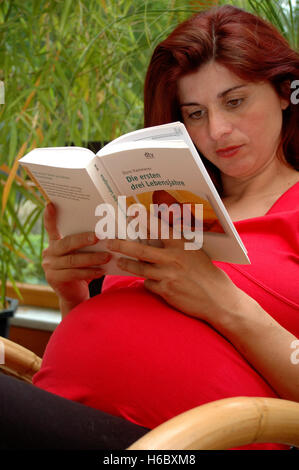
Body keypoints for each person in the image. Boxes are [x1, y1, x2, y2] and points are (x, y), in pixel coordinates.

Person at [26, 4, 299, 450]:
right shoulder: (162, 206)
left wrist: (222, 302)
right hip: (76, 418)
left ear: (286, 91)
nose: (217, 131)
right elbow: (105, 352)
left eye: (235, 101)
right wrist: (72, 297)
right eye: (195, 113)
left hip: (184, 443)